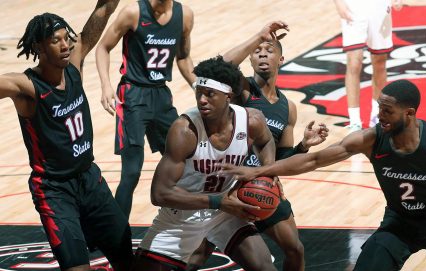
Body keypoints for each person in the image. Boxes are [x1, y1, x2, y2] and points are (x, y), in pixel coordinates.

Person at [223, 79, 426, 270]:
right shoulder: (370, 139)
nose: (380, 116)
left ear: (410, 114)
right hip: (400, 222)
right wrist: (261, 170)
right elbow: (313, 160)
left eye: (387, 111)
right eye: (379, 108)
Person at [0, 2, 135, 270]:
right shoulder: (27, 87)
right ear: (39, 47)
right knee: (76, 266)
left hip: (89, 178)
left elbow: (103, 11)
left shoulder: (74, 65)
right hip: (54, 189)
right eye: (55, 41)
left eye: (66, 38)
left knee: (125, 254)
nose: (65, 45)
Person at [187, 21, 328, 271]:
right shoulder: (242, 90)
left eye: (269, 49)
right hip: (227, 181)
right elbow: (221, 67)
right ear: (250, 60)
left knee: (295, 249)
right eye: (257, 50)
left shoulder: (288, 107)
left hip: (260, 185)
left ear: (281, 59)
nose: (262, 53)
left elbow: (282, 158)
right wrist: (258, 36)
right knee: (198, 254)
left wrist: (303, 146)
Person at [132, 56, 278, 271]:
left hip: (226, 212)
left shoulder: (251, 120)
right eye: (199, 92)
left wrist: (268, 172)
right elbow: (159, 194)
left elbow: (266, 142)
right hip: (182, 216)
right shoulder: (184, 130)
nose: (201, 100)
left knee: (265, 268)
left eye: (210, 94)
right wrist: (218, 201)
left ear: (228, 95)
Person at [96, 0, 196, 219]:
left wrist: (198, 86)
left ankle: (186, 222)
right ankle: (115, 234)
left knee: (184, 162)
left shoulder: (184, 16)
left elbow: (183, 56)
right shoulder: (133, 12)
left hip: (161, 95)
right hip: (133, 96)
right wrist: (106, 85)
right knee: (131, 172)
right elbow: (103, 47)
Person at [333, 0, 403, 132]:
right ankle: (354, 121)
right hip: (352, 6)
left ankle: (377, 115)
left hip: (379, 6)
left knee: (380, 62)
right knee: (354, 63)